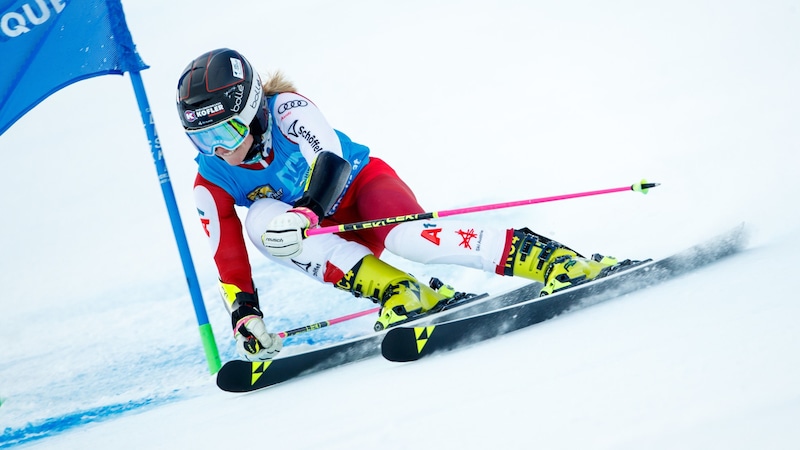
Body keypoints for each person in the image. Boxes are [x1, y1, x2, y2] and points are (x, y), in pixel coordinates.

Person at [176, 48, 625, 362]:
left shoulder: (287, 109)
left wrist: (307, 212)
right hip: (327, 235)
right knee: (260, 222)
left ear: (254, 111)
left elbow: (329, 160)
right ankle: (401, 292)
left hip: (363, 191)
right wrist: (245, 316)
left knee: (409, 238)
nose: (217, 150)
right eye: (202, 139)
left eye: (226, 134)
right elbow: (226, 251)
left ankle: (554, 260)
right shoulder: (211, 175)